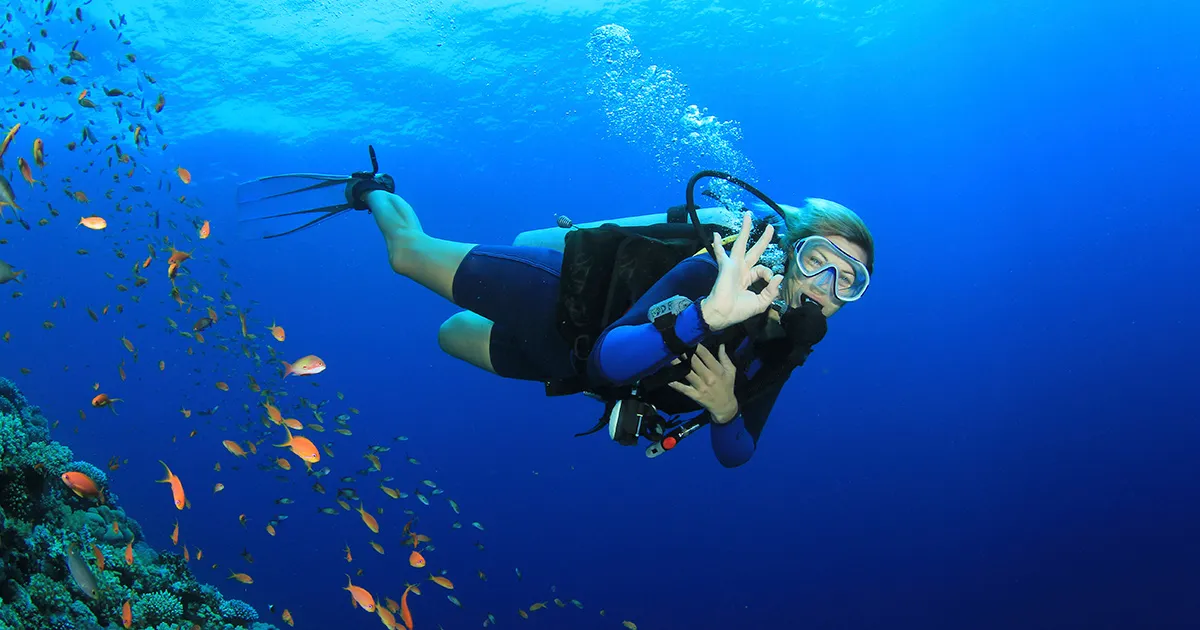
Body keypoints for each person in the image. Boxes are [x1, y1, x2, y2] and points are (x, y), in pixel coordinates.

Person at [236, 155, 874, 468]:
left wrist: (729, 406)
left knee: (447, 336)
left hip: (566, 361)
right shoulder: (715, 270)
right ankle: (371, 189)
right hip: (569, 301)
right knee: (408, 257)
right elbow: (610, 356)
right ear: (789, 253)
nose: (826, 286)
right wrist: (703, 316)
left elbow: (737, 454)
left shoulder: (783, 346)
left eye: (850, 281)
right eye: (819, 259)